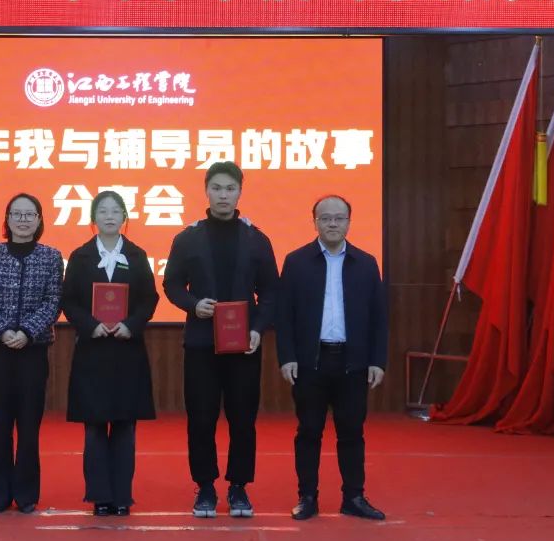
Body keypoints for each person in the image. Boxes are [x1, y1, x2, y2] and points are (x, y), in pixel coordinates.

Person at [163, 161, 279, 518]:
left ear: (240, 191)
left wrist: (258, 329)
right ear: (206, 191)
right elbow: (171, 285)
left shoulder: (257, 239)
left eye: (230, 188)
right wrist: (193, 304)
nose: (223, 195)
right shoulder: (188, 238)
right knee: (201, 418)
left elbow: (271, 292)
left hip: (244, 345)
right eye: (217, 188)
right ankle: (205, 487)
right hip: (201, 344)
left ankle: (239, 486)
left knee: (243, 418)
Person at [276, 194, 388, 522]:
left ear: (349, 222)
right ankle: (307, 497)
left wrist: (378, 360)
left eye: (339, 218)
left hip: (353, 363)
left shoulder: (366, 263)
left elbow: (379, 317)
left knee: (351, 432)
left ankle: (353, 497)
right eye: (325, 218)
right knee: (309, 431)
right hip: (310, 363)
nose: (333, 224)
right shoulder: (296, 262)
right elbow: (284, 316)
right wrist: (287, 357)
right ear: (315, 222)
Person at [62, 190, 159, 517]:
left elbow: (149, 299)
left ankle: (121, 497)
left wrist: (131, 324)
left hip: (127, 352)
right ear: (93, 219)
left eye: (115, 211)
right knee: (94, 428)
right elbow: (68, 301)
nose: (109, 216)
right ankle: (99, 496)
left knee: (124, 427)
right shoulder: (80, 257)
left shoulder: (137, 254)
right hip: (92, 352)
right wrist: (91, 325)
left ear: (124, 218)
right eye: (102, 211)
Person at [0, 193, 63, 515]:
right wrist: (2, 331)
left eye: (29, 215)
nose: (23, 220)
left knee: (28, 426)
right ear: (7, 219)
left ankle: (26, 494)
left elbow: (53, 301)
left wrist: (26, 332)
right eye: (17, 214)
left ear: (39, 220)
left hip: (32, 351)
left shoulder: (51, 257)